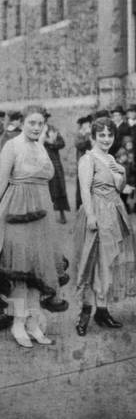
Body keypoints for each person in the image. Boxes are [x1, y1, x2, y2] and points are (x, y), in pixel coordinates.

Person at [0, 106, 62, 347]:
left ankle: (33, 323)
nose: (36, 128)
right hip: (16, 213)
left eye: (40, 123)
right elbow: (1, 183)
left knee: (39, 269)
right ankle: (17, 323)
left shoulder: (41, 145)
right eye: (31, 123)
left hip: (42, 216)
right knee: (20, 272)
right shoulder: (12, 146)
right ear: (22, 123)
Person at [72, 117, 136, 336]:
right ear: (93, 137)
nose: (107, 139)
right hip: (96, 213)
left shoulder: (110, 157)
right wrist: (90, 216)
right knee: (91, 262)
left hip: (113, 213)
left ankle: (102, 310)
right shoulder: (87, 159)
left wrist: (120, 170)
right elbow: (84, 190)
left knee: (107, 263)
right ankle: (84, 313)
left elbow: (119, 187)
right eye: (102, 135)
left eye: (110, 135)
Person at [42, 113, 70, 224]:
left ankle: (62, 213)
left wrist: (51, 143)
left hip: (54, 161)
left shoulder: (52, 129)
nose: (43, 120)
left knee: (58, 186)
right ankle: (44, 214)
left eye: (44, 118)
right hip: (41, 162)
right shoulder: (35, 130)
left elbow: (62, 143)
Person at [74, 115, 93, 209]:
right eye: (85, 124)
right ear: (81, 125)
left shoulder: (90, 133)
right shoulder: (79, 134)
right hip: (82, 161)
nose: (87, 125)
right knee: (81, 183)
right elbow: (79, 145)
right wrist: (87, 137)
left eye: (88, 123)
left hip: (90, 160)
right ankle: (80, 204)